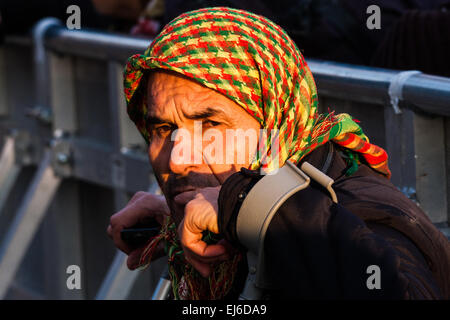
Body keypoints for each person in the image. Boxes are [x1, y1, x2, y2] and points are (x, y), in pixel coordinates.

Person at [107, 7, 450, 300]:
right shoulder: (243, 220)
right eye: (163, 130)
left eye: (210, 124)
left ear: (277, 122)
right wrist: (175, 220)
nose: (178, 160)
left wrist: (249, 208)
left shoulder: (367, 219)